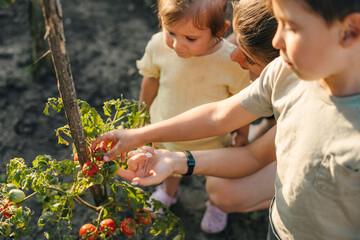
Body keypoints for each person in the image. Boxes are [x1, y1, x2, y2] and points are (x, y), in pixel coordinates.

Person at [92, 0, 360, 239]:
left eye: (291, 27)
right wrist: (157, 148)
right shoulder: (285, 73)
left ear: (350, 30)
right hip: (281, 227)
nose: (277, 41)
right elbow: (221, 117)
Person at [134, 0, 251, 228]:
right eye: (171, 32)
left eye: (190, 38)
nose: (177, 45)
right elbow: (151, 80)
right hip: (166, 128)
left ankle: (216, 203)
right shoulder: (159, 46)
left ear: (219, 31)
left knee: (216, 172)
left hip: (212, 138)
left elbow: (241, 101)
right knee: (166, 164)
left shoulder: (230, 60)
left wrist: (242, 133)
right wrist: (141, 114)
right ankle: (169, 193)